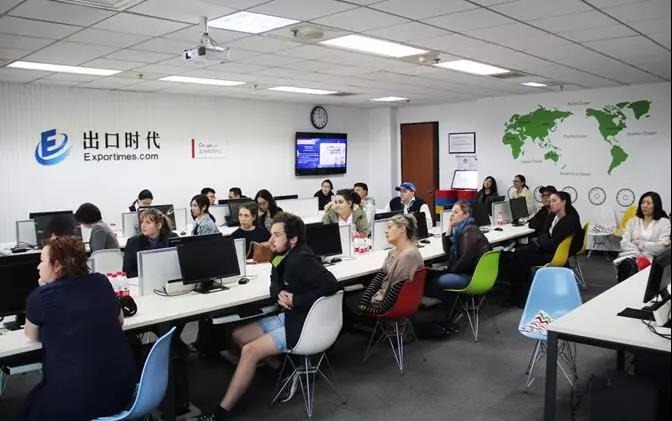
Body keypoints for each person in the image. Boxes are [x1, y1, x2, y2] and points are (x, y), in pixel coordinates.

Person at [195, 213, 339, 421]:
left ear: (293, 239)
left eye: (277, 235)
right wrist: (279, 292)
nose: (271, 240)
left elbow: (332, 285)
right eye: (271, 234)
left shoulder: (301, 258)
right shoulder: (282, 255)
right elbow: (274, 284)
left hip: (303, 324)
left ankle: (220, 412)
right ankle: (284, 369)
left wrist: (296, 299)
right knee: (238, 335)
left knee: (250, 350)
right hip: (290, 316)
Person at [21, 236, 136, 421]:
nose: (38, 267)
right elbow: (120, 321)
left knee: (30, 406)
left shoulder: (40, 296)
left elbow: (31, 335)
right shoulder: (101, 282)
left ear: (56, 265)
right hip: (121, 393)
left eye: (42, 261)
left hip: (76, 402)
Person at [502, 191, 583, 306]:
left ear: (564, 202)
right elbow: (542, 232)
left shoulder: (570, 220)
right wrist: (541, 241)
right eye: (550, 201)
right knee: (516, 254)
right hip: (545, 248)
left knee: (519, 258)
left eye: (554, 201)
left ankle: (521, 297)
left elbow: (553, 243)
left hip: (554, 254)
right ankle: (520, 294)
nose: (551, 203)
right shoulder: (553, 216)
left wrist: (540, 242)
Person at [358, 214, 424, 315]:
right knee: (357, 299)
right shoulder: (393, 252)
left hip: (392, 306)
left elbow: (396, 291)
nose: (385, 231)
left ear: (402, 229)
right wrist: (364, 301)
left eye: (389, 227)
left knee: (350, 300)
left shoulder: (408, 256)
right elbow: (381, 275)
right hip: (388, 301)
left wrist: (373, 310)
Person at [425, 200, 491, 298]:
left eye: (456, 212)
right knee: (430, 274)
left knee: (433, 281)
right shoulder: (461, 229)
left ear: (466, 215)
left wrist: (449, 271)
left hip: (472, 276)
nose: (452, 215)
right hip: (472, 272)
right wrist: (450, 226)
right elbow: (447, 250)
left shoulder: (468, 232)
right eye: (452, 212)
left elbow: (465, 260)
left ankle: (453, 305)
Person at [615, 192, 671, 282]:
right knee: (627, 265)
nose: (644, 206)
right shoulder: (632, 222)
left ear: (656, 205)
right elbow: (624, 243)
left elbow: (661, 247)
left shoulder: (664, 223)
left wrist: (640, 243)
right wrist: (638, 255)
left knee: (632, 269)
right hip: (632, 256)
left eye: (649, 203)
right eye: (643, 202)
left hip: (652, 260)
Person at [122, 209, 178, 278]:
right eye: (142, 222)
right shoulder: (132, 242)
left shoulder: (172, 238)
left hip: (168, 278)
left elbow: (177, 266)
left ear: (159, 225)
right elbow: (128, 271)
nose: (143, 226)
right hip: (142, 279)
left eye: (148, 222)